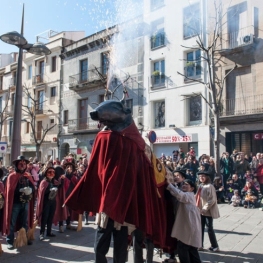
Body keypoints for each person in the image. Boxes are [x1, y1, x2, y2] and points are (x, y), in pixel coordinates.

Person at [3, 156, 35, 250]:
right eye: (20, 163)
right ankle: (10, 241)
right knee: (12, 222)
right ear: (17, 165)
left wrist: (31, 189)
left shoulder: (28, 175)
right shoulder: (12, 176)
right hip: (15, 203)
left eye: (24, 163)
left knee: (24, 222)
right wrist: (20, 190)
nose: (22, 165)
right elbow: (10, 190)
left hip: (25, 202)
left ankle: (24, 238)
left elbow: (33, 187)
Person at [166, 178, 201, 263]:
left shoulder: (189, 195)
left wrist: (168, 184)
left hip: (188, 228)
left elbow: (179, 194)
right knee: (192, 249)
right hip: (188, 227)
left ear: (192, 188)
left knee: (183, 247)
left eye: (186, 184)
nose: (184, 186)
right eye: (183, 184)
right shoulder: (188, 195)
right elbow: (176, 193)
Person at [196, 170, 220, 252]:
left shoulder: (210, 186)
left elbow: (212, 199)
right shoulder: (200, 186)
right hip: (200, 210)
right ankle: (200, 245)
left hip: (208, 211)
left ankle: (215, 246)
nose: (201, 178)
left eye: (203, 176)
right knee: (200, 228)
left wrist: (204, 209)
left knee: (209, 228)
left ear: (207, 177)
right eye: (200, 176)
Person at [36, 167, 58, 240]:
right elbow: (42, 192)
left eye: (53, 172)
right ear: (46, 173)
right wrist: (50, 190)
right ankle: (41, 233)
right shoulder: (44, 182)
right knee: (44, 218)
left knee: (50, 217)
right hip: (46, 203)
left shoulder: (54, 181)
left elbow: (60, 186)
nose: (51, 174)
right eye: (49, 172)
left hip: (53, 202)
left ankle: (49, 232)